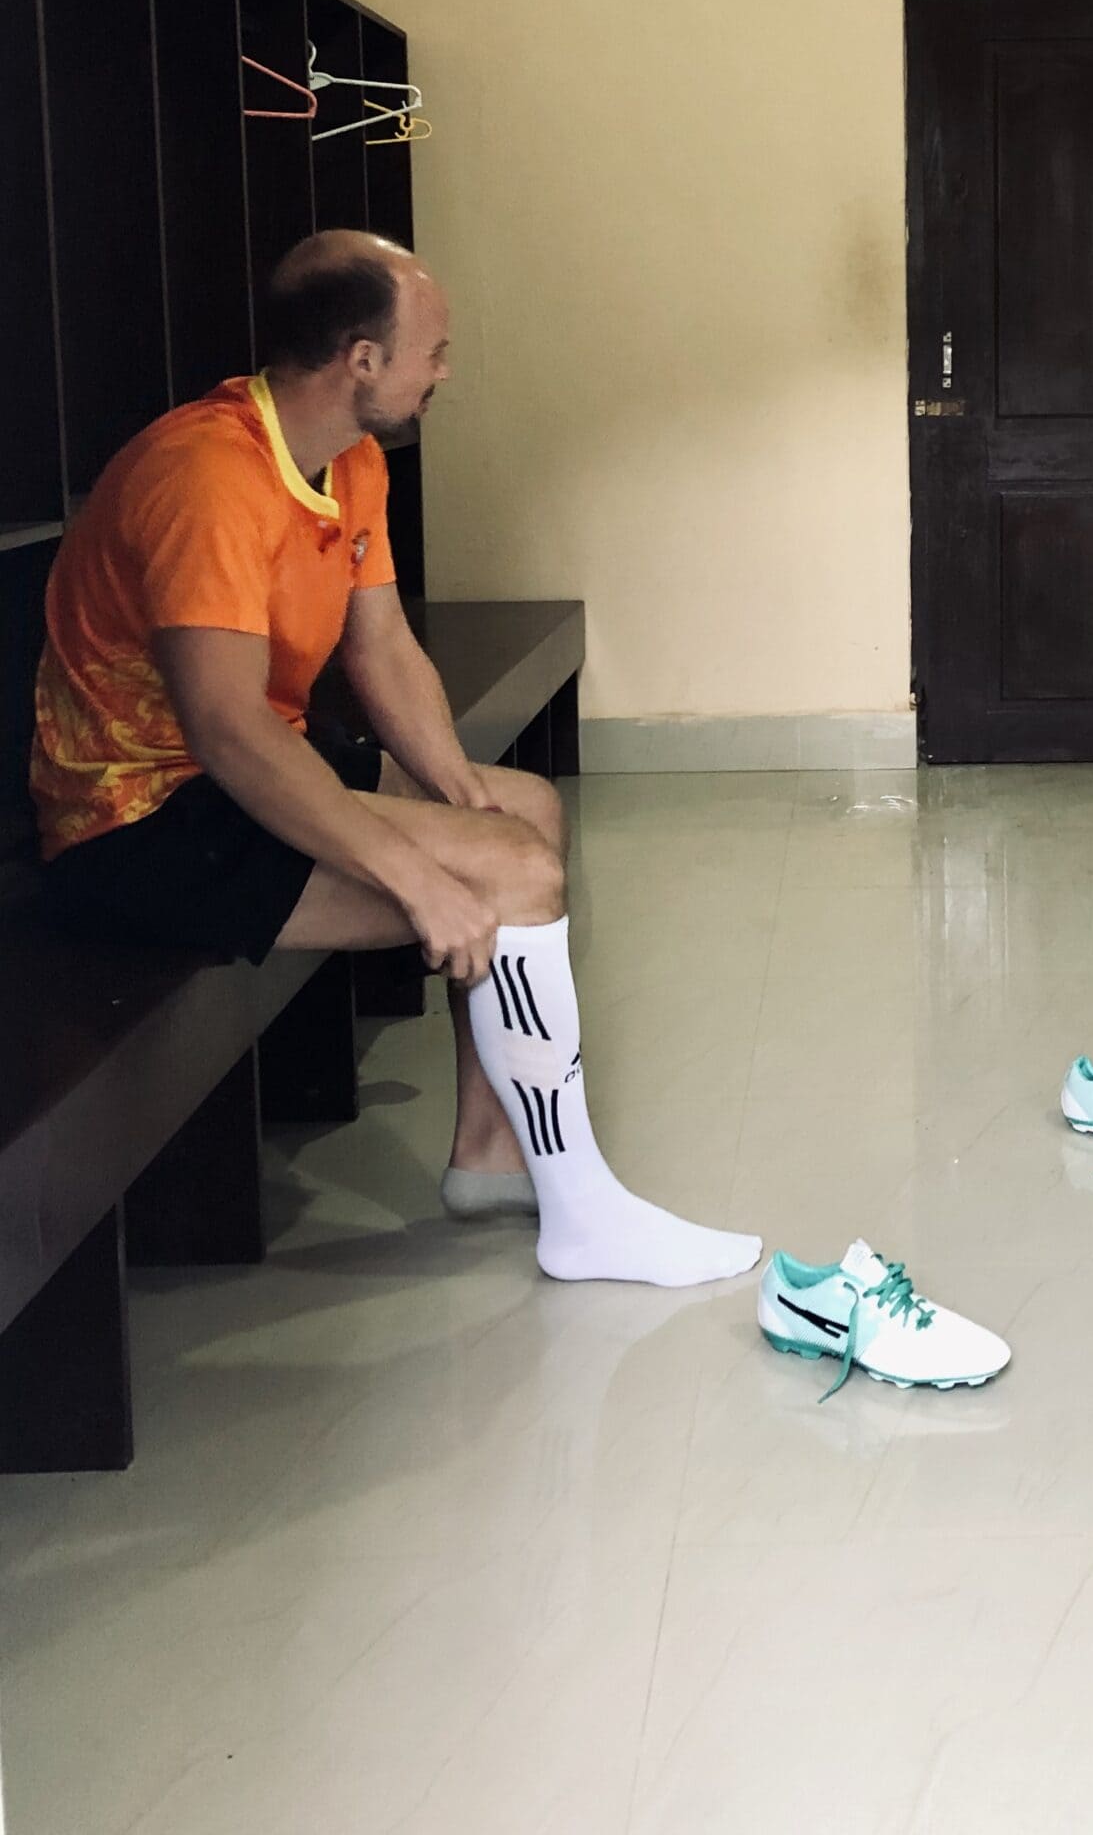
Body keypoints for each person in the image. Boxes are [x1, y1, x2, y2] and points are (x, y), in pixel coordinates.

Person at [30, 229, 759, 1289]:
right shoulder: (209, 478)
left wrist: (462, 800)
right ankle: (584, 1212)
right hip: (136, 823)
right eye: (434, 350)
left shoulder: (349, 457)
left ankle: (493, 1154)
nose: (445, 372)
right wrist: (420, 873)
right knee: (510, 878)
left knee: (522, 817)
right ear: (360, 359)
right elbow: (226, 732)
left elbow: (382, 648)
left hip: (239, 776)